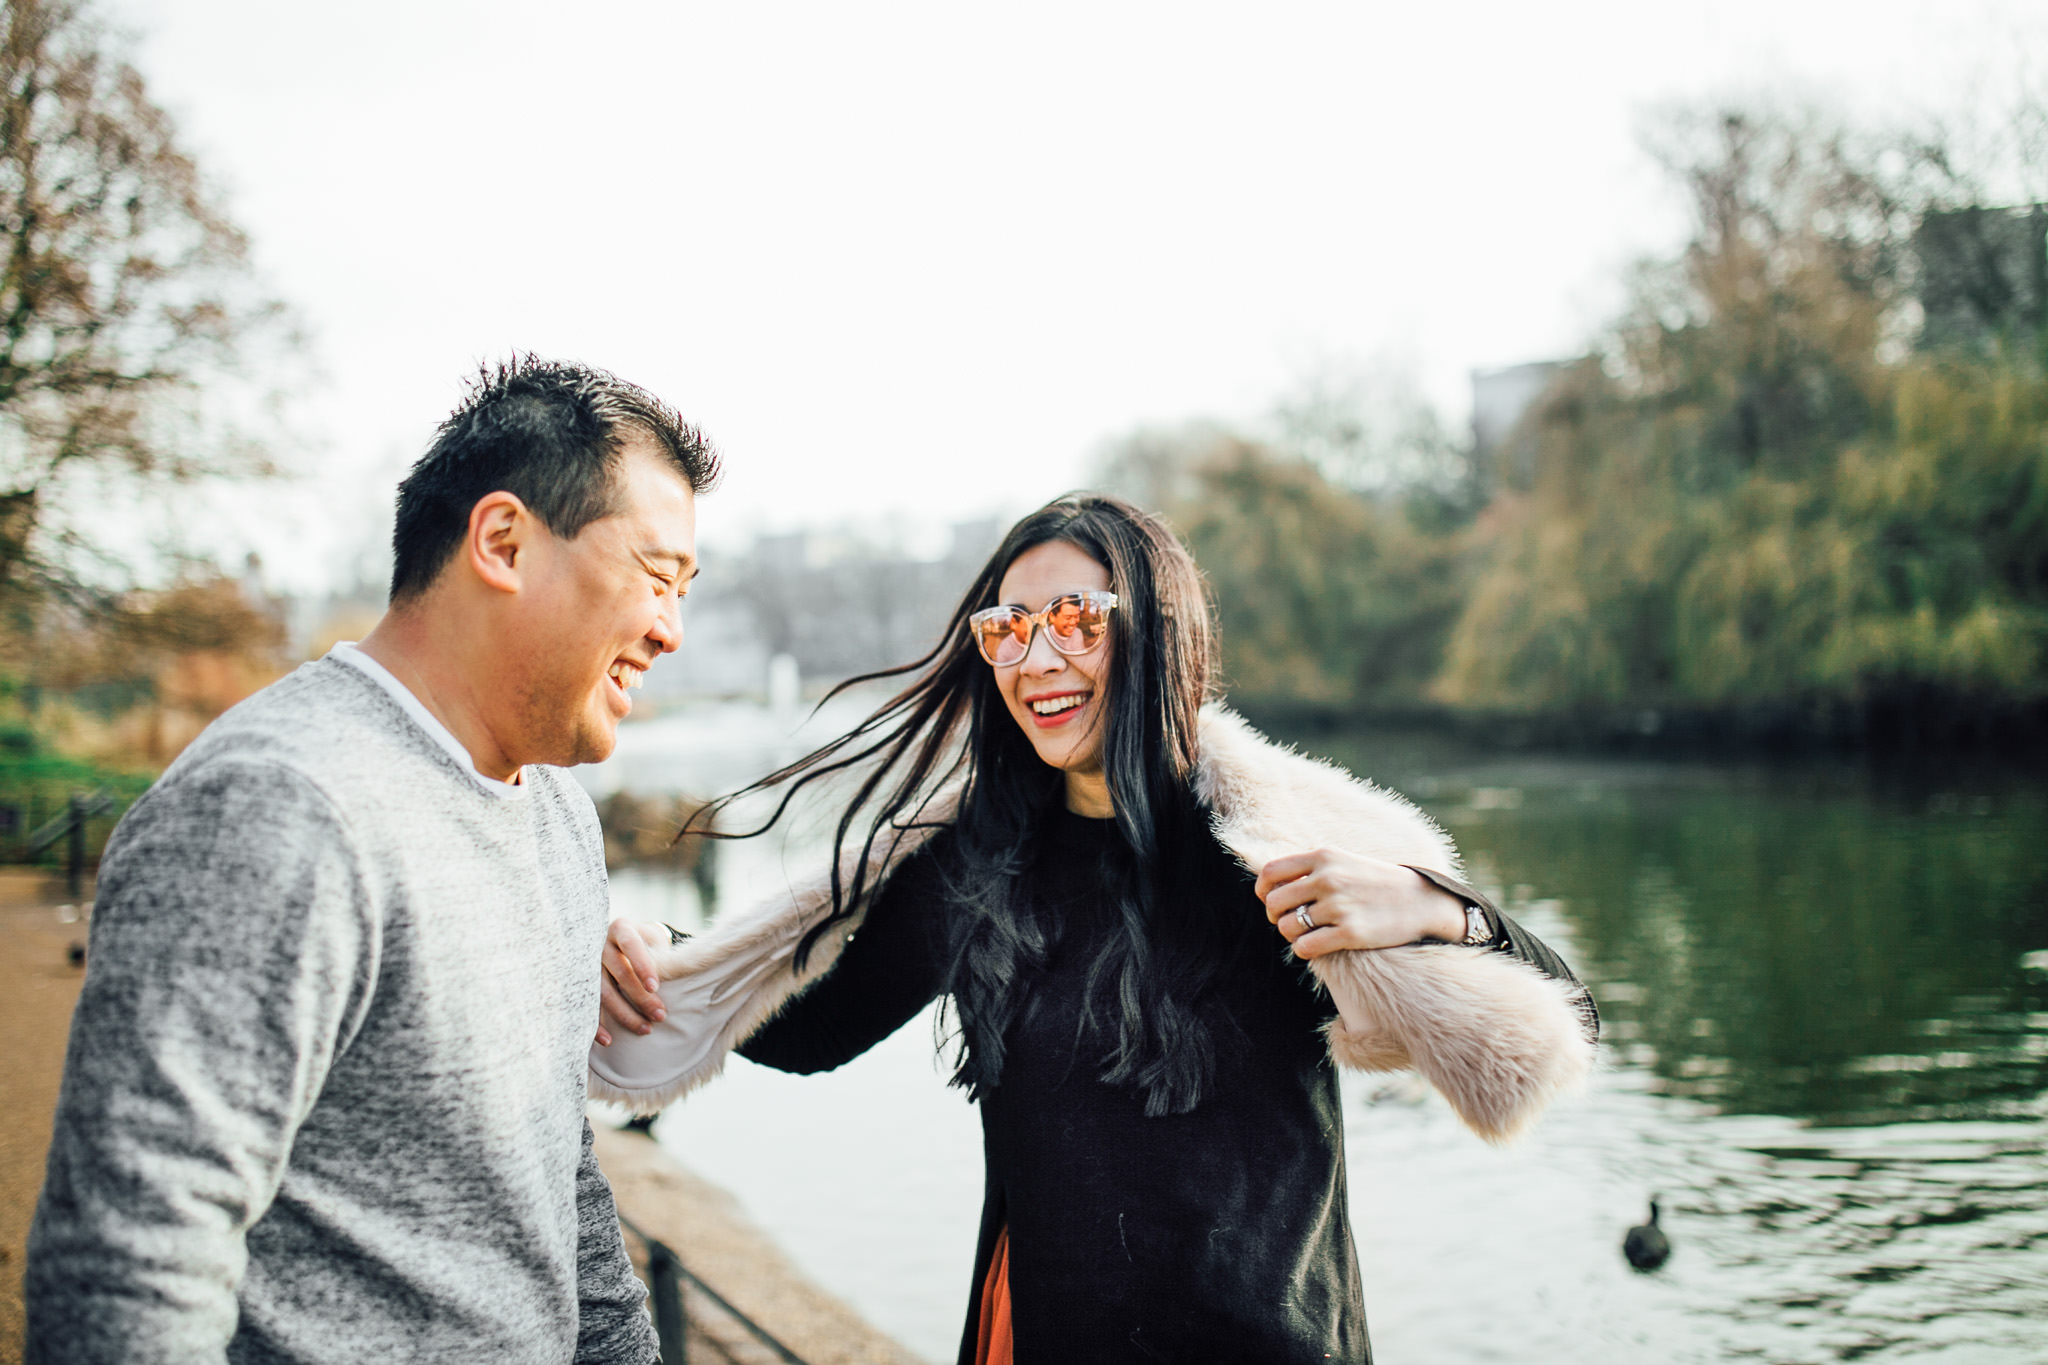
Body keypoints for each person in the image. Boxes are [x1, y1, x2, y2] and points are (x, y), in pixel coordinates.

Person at [592, 493, 1598, 1363]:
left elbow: (1558, 1035)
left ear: (1154, 628)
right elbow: (814, 1029)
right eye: (1007, 629)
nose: (1037, 658)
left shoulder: (1271, 847)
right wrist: (658, 959)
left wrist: (1440, 911)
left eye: (1075, 619)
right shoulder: (974, 860)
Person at [25, 357, 718, 1365]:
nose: (670, 630)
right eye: (658, 578)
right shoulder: (277, 808)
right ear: (503, 541)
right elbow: (130, 1265)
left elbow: (551, 1187)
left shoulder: (558, 816)